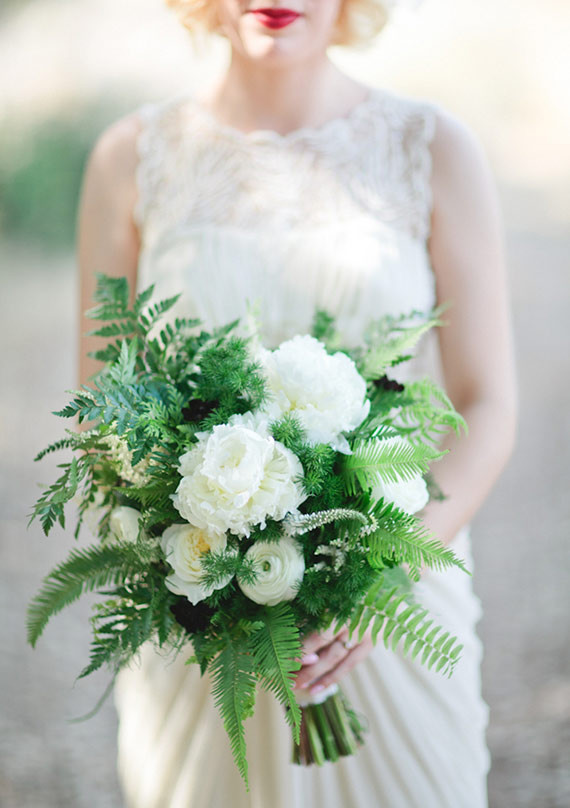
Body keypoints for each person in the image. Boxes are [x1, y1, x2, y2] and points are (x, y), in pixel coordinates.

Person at [77, 1, 517, 805]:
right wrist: (197, 533)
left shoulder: (434, 148)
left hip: (390, 608)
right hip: (202, 604)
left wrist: (384, 573)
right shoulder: (129, 158)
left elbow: (488, 402)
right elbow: (104, 404)